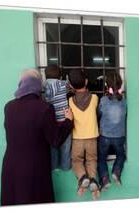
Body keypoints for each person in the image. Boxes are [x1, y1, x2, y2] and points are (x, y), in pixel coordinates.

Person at [1, 69, 73, 205]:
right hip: (35, 169)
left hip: (11, 167)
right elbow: (55, 139)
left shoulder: (8, 107)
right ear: (38, 86)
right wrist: (68, 121)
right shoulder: (44, 108)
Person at [68, 69, 100, 200]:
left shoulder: (70, 101)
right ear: (86, 82)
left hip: (77, 138)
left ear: (70, 86)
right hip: (92, 137)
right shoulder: (94, 98)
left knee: (76, 161)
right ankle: (92, 179)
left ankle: (82, 177)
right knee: (92, 160)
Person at [97, 72, 127, 191]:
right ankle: (116, 170)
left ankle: (104, 179)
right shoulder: (124, 101)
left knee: (101, 158)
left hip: (104, 136)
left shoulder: (103, 100)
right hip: (119, 137)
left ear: (106, 85)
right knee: (121, 155)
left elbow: (99, 114)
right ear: (120, 86)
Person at [44, 65, 72, 170]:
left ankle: (54, 166)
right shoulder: (61, 84)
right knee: (65, 146)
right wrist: (67, 78)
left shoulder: (44, 85)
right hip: (64, 120)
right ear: (59, 77)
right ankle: (65, 166)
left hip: (52, 122)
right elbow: (70, 85)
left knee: (53, 146)